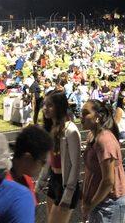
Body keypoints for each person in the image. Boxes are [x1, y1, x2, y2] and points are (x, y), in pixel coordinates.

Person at [80, 99, 125, 222]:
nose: (81, 117)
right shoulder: (92, 136)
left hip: (110, 204)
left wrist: (90, 205)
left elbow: (108, 181)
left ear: (98, 116)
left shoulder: (105, 140)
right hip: (98, 201)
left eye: (86, 113)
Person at [37, 90, 81, 223]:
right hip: (54, 182)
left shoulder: (71, 130)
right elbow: (49, 160)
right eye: (44, 104)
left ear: (60, 106)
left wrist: (68, 194)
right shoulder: (52, 128)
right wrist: (40, 183)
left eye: (50, 105)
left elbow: (75, 165)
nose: (45, 108)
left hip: (66, 184)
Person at [8, 125, 53, 204]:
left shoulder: (27, 181)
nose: (43, 166)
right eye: (43, 162)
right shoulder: (6, 188)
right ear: (27, 158)